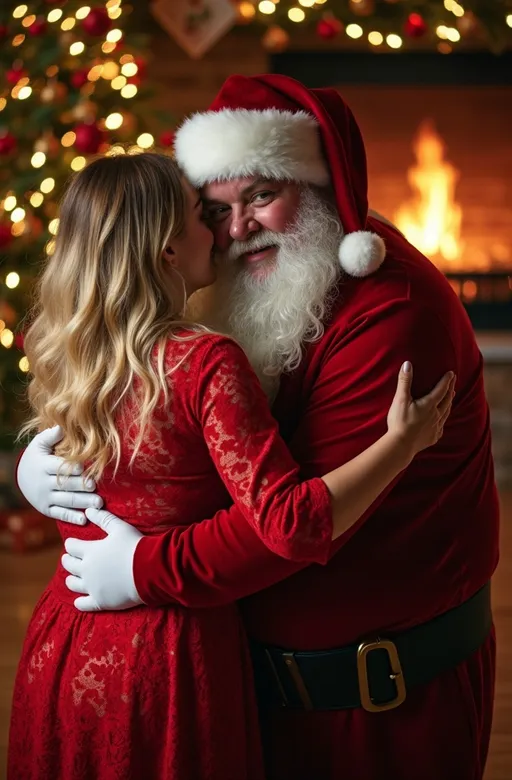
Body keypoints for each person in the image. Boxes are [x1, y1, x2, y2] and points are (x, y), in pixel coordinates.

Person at [17, 75, 499, 780]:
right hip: (218, 676)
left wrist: (143, 568)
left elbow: (292, 524)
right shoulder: (214, 318)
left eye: (263, 198)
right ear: (172, 243)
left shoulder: (392, 315)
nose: (237, 228)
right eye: (214, 208)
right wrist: (47, 455)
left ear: (321, 186)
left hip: (370, 710)